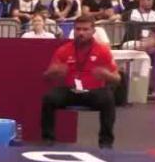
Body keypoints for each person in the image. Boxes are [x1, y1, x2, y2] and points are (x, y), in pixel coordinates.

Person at [40, 16, 120, 149]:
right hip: (70, 91)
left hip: (93, 92)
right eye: (78, 29)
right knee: (49, 97)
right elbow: (46, 76)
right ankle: (47, 139)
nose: (81, 33)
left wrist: (107, 75)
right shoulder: (64, 50)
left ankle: (106, 142)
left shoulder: (102, 51)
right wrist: (54, 72)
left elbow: (117, 79)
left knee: (108, 98)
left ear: (93, 31)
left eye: (85, 29)